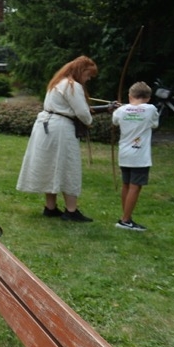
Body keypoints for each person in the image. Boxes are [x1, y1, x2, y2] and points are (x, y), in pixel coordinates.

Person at [16, 55, 114, 222]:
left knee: (52, 165)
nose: (88, 79)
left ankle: (51, 207)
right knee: (68, 166)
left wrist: (105, 108)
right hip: (60, 129)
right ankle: (71, 210)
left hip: (48, 127)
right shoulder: (72, 85)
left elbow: (75, 108)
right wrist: (89, 121)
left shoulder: (58, 82)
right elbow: (82, 112)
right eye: (88, 75)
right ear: (80, 71)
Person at [111, 81, 159, 231]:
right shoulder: (150, 109)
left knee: (127, 184)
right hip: (139, 155)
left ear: (130, 95)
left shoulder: (121, 110)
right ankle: (125, 220)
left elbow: (115, 121)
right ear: (148, 97)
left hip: (124, 153)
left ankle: (126, 217)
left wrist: (124, 108)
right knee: (135, 187)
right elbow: (154, 124)